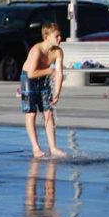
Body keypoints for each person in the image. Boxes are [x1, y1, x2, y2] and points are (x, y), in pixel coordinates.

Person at [20, 22, 66, 159]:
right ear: (47, 36)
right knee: (31, 113)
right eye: (56, 36)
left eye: (60, 35)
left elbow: (59, 73)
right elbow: (31, 74)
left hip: (43, 78)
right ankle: (36, 148)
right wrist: (49, 70)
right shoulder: (37, 50)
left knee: (48, 112)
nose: (60, 38)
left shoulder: (58, 52)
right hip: (29, 78)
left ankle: (53, 147)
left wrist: (57, 92)